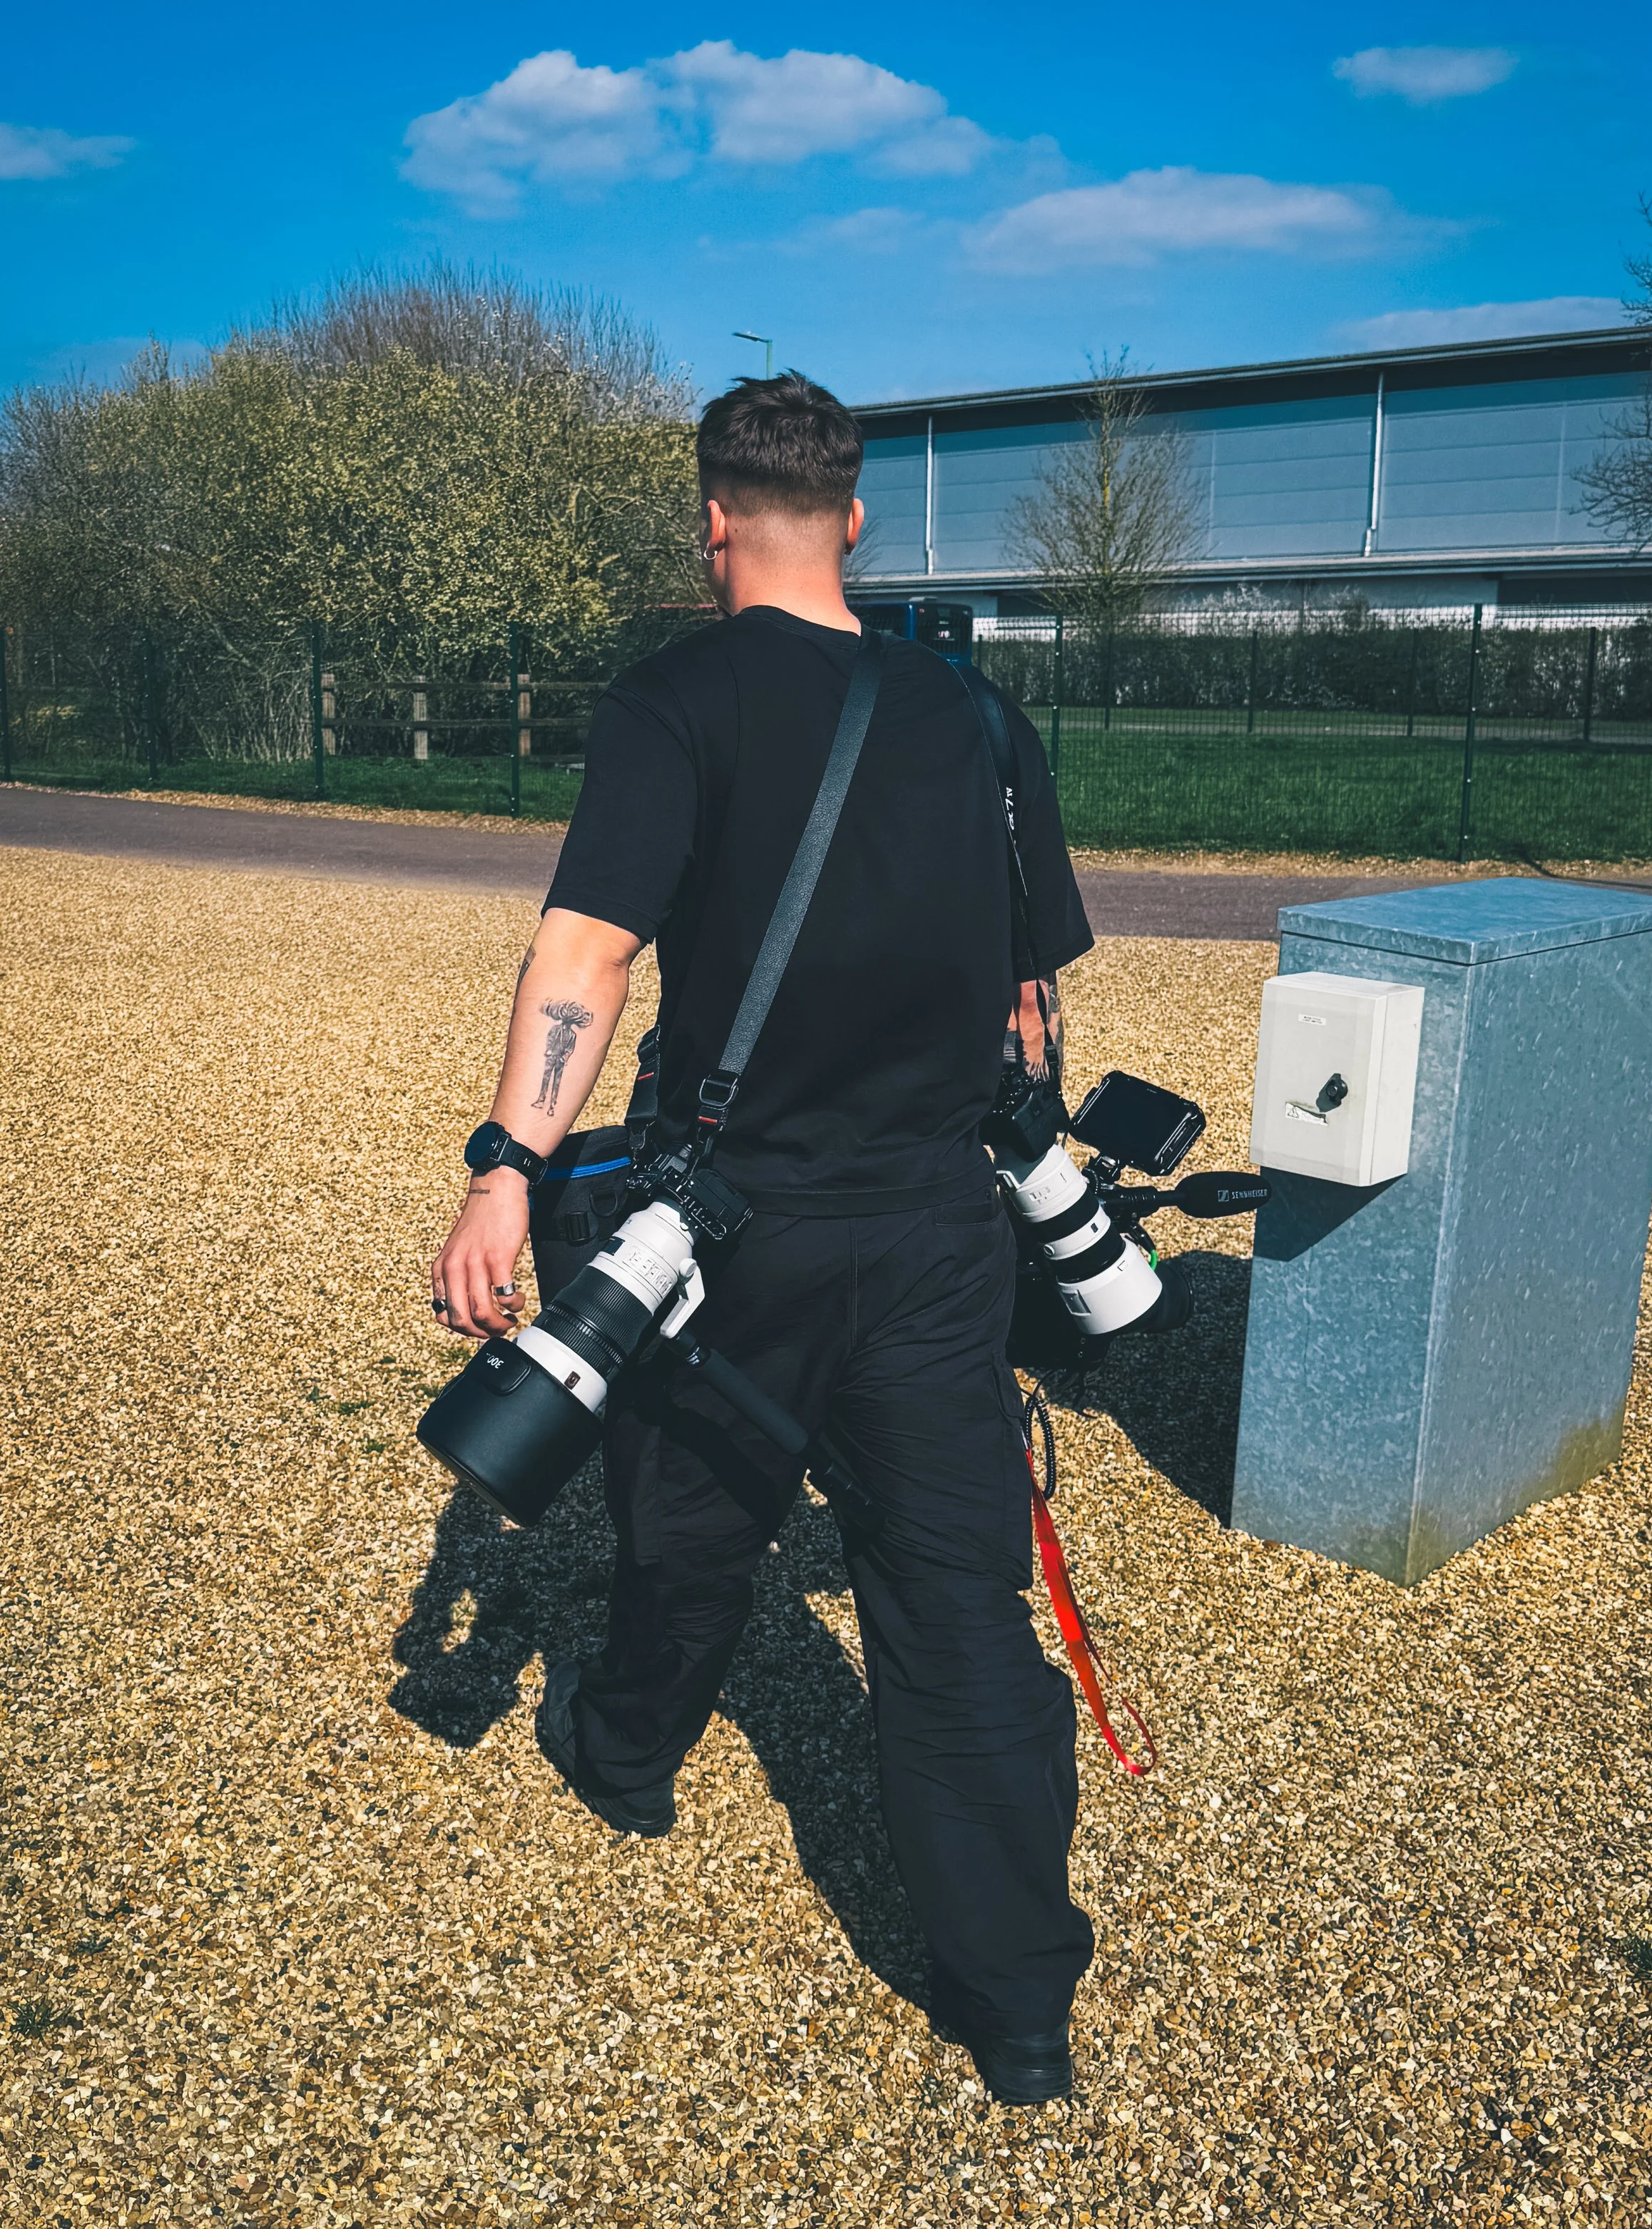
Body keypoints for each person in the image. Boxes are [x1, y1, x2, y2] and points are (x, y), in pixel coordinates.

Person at [429, 372, 1096, 2106]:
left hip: (735, 1233)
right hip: (943, 1227)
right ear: (855, 516)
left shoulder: (671, 701)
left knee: (690, 1519)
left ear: (710, 518)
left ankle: (626, 1753)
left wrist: (508, 1167)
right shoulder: (975, 715)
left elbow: (583, 957)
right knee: (955, 1604)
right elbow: (1027, 1010)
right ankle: (1017, 2000)